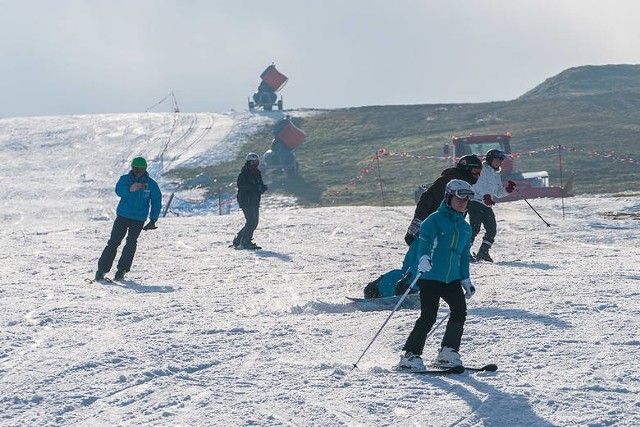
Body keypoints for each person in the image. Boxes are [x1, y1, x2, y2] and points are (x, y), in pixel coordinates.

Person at [397, 179, 476, 370]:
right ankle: (410, 355)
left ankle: (448, 351)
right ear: (448, 198)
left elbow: (464, 256)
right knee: (429, 316)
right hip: (430, 276)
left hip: (452, 279)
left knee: (459, 311)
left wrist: (465, 279)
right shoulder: (434, 219)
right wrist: (423, 258)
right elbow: (424, 241)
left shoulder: (465, 228)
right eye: (459, 199)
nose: (463, 203)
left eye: (466, 200)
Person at [392, 154, 483, 295]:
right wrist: (415, 226)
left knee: (418, 262)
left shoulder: (464, 187)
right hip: (431, 230)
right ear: (466, 169)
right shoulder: (447, 182)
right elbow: (426, 201)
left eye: (480, 173)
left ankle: (400, 288)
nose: (477, 176)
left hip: (439, 231)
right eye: (475, 172)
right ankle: (396, 289)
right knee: (420, 262)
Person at [95, 157, 162, 281]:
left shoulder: (151, 184)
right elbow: (118, 191)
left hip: (139, 219)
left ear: (145, 170)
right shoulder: (125, 180)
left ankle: (122, 270)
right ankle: (102, 270)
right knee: (114, 242)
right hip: (123, 216)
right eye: (137, 170)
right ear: (132, 168)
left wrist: (153, 219)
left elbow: (156, 201)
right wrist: (129, 189)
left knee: (131, 243)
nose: (139, 172)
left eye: (141, 170)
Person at [468, 149, 516, 262]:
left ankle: (483, 252)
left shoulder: (496, 175)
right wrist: (485, 196)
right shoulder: (482, 170)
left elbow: (498, 193)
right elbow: (476, 186)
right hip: (475, 202)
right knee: (474, 228)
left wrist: (508, 190)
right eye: (495, 160)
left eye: (499, 161)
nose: (498, 163)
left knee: (491, 229)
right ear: (489, 160)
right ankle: (465, 252)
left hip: (486, 204)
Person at [233, 153, 268, 250]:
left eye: (256, 162)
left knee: (254, 222)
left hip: (255, 200)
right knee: (251, 221)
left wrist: (263, 188)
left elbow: (259, 185)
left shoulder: (257, 173)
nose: (254, 164)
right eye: (252, 162)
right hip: (246, 200)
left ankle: (239, 239)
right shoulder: (243, 174)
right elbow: (241, 186)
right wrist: (254, 187)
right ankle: (245, 241)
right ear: (248, 162)